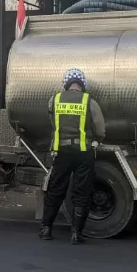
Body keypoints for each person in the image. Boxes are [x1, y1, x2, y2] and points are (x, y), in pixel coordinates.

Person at [39, 68, 106, 245]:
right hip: (84, 152)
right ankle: (76, 234)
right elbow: (100, 128)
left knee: (55, 189)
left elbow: (54, 124)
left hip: (62, 151)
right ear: (82, 84)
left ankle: (46, 228)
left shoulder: (54, 100)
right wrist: (97, 140)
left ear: (66, 83)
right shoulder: (89, 101)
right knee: (81, 192)